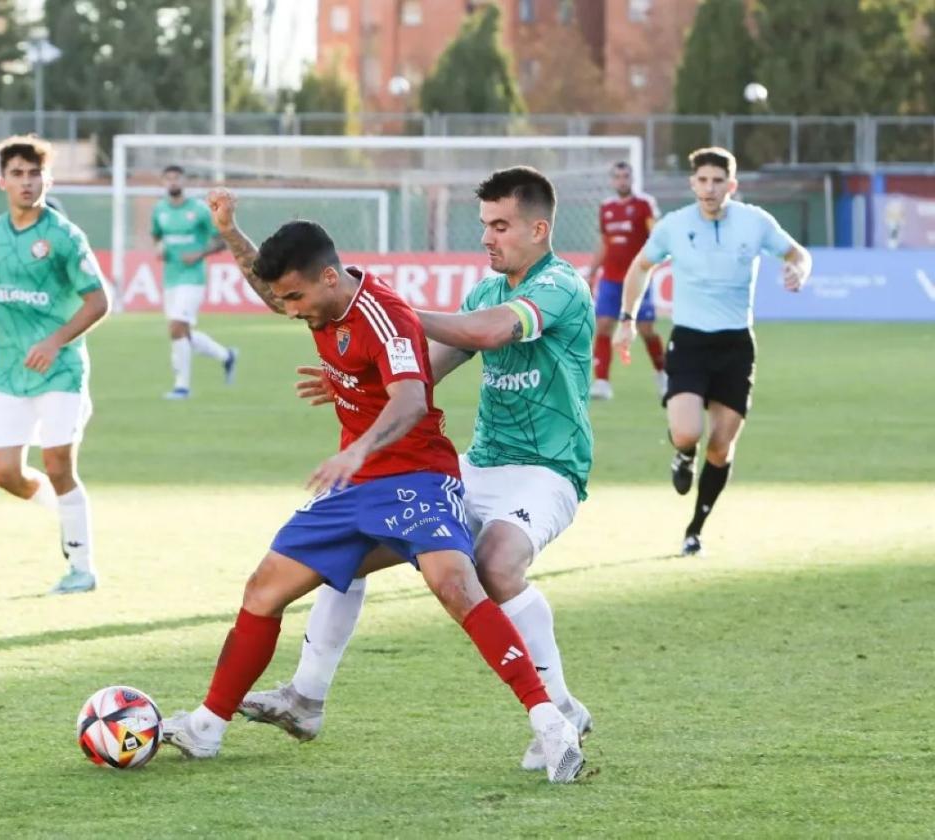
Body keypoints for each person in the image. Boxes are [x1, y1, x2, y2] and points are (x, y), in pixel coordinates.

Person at [158, 197, 585, 783]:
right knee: (263, 589)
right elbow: (272, 289)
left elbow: (411, 398)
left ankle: (551, 718)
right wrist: (231, 233)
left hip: (417, 475)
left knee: (457, 583)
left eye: (297, 298)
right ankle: (208, 727)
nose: (290, 310)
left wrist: (358, 446)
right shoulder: (318, 301)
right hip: (356, 485)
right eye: (286, 299)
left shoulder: (382, 313)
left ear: (329, 278)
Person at [614, 147, 811, 556]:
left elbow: (798, 254)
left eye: (717, 181)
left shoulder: (755, 223)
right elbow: (641, 266)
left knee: (721, 446)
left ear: (731, 186)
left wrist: (797, 270)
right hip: (689, 341)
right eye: (702, 180)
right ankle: (683, 454)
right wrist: (627, 319)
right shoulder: (674, 225)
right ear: (692, 184)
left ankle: (694, 529)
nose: (709, 188)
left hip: (736, 346)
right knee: (688, 432)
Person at [0, 135, 110, 595]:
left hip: (61, 368)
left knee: (57, 460)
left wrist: (55, 340)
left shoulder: (64, 236)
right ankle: (65, 513)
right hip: (9, 370)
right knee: (3, 472)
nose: (27, 182)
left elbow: (99, 301)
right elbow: (3, 288)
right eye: (18, 174)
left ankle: (81, 567)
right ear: (2, 181)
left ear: (46, 178)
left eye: (34, 173)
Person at [151, 164, 237, 400]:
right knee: (182, 331)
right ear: (163, 182)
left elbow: (221, 240)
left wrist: (198, 254)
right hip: (171, 277)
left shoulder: (198, 210)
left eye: (176, 178)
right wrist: (159, 248)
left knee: (177, 326)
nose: (172, 182)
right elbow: (156, 235)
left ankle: (182, 386)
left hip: (193, 276)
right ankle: (226, 356)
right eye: (168, 178)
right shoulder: (159, 210)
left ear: (183, 181)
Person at [585, 160, 666, 401]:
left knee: (646, 329)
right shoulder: (606, 208)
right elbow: (604, 243)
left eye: (626, 176)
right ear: (612, 180)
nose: (622, 181)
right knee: (604, 326)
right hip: (610, 278)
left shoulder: (644, 205)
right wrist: (591, 272)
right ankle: (601, 382)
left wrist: (651, 263)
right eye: (618, 177)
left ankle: (663, 375)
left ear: (632, 179)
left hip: (638, 277)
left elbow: (656, 237)